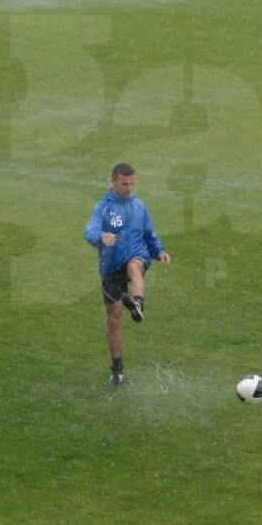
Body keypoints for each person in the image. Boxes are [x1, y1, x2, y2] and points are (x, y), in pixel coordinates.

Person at [85, 162, 171, 387]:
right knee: (113, 320)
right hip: (111, 267)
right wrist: (101, 236)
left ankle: (138, 304)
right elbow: (90, 231)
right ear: (113, 181)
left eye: (132, 183)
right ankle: (117, 370)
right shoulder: (102, 208)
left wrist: (159, 251)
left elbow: (149, 234)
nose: (129, 188)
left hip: (136, 255)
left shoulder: (139, 206)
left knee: (135, 267)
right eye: (124, 184)